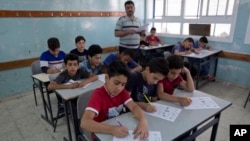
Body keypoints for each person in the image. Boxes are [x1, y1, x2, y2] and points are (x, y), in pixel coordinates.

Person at [81, 61, 149, 140]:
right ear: (106, 78)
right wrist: (112, 129)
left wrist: (143, 121)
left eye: (123, 84)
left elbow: (133, 106)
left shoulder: (122, 92)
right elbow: (85, 123)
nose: (119, 88)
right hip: (100, 133)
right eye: (116, 83)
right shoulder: (98, 95)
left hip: (117, 128)